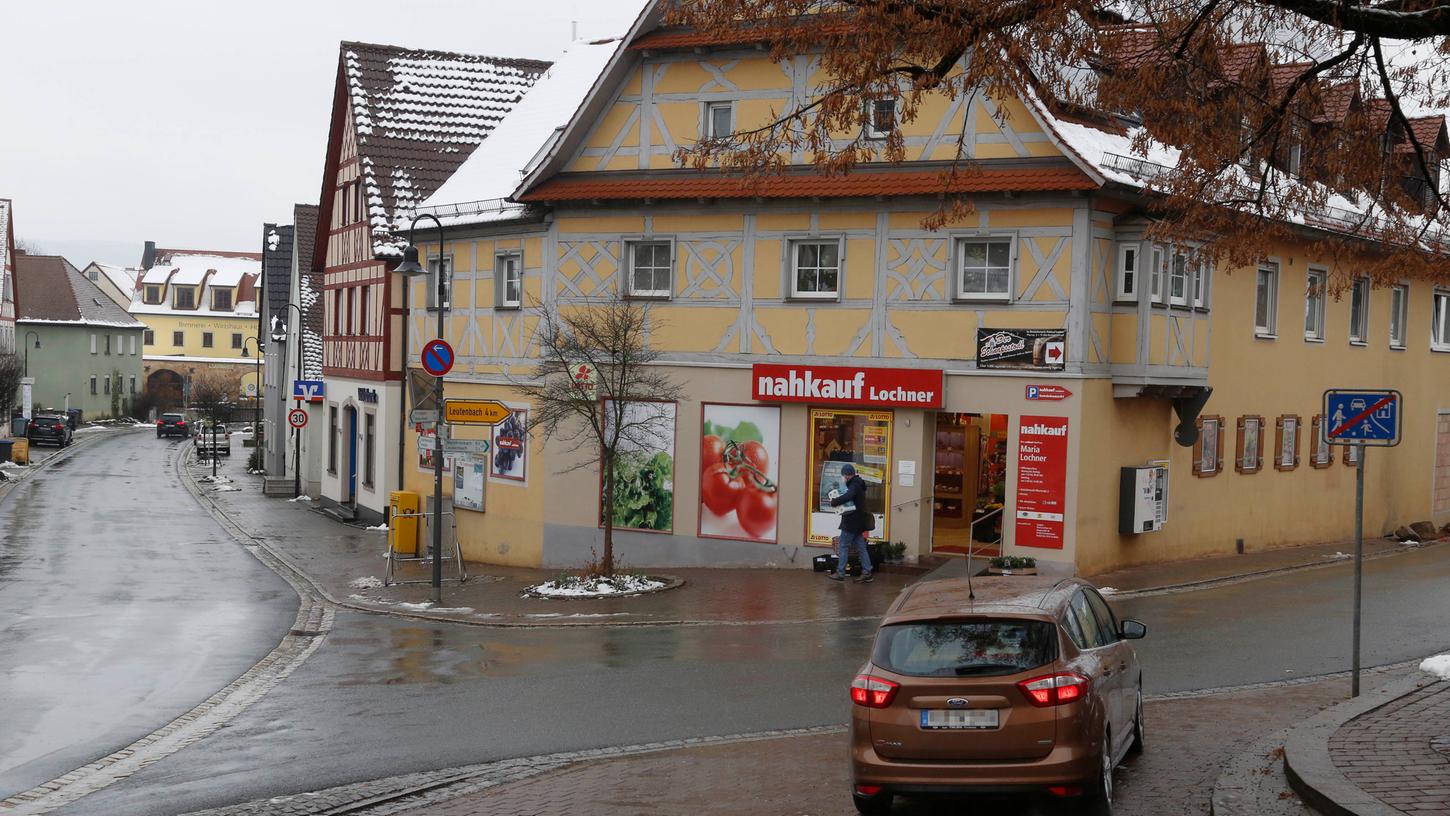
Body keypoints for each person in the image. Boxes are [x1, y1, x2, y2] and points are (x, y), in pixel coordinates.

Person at [826, 463, 873, 584]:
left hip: (852, 522)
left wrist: (835, 501)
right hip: (858, 522)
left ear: (847, 475)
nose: (842, 478)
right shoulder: (858, 483)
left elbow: (849, 496)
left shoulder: (855, 484)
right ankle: (867, 572)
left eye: (843, 475)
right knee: (861, 547)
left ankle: (840, 572)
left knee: (843, 545)